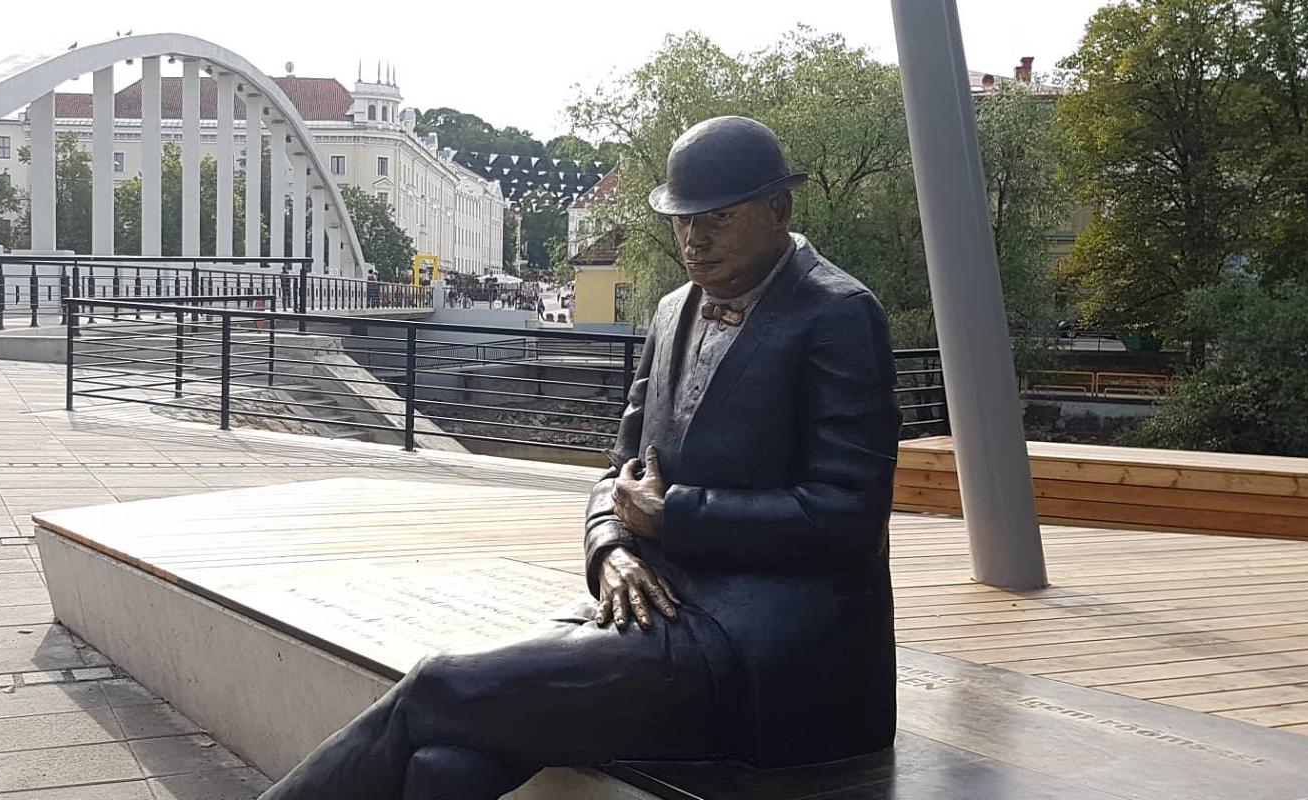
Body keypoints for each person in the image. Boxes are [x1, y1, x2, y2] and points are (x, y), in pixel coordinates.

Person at [258, 116, 899, 799]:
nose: (695, 238)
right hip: (652, 602)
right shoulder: (673, 309)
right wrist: (613, 552)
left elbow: (845, 514)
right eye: (683, 221)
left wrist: (673, 516)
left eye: (719, 218)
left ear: (779, 210)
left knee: (436, 684)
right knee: (443, 765)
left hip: (765, 650)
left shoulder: (838, 315)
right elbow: (617, 474)